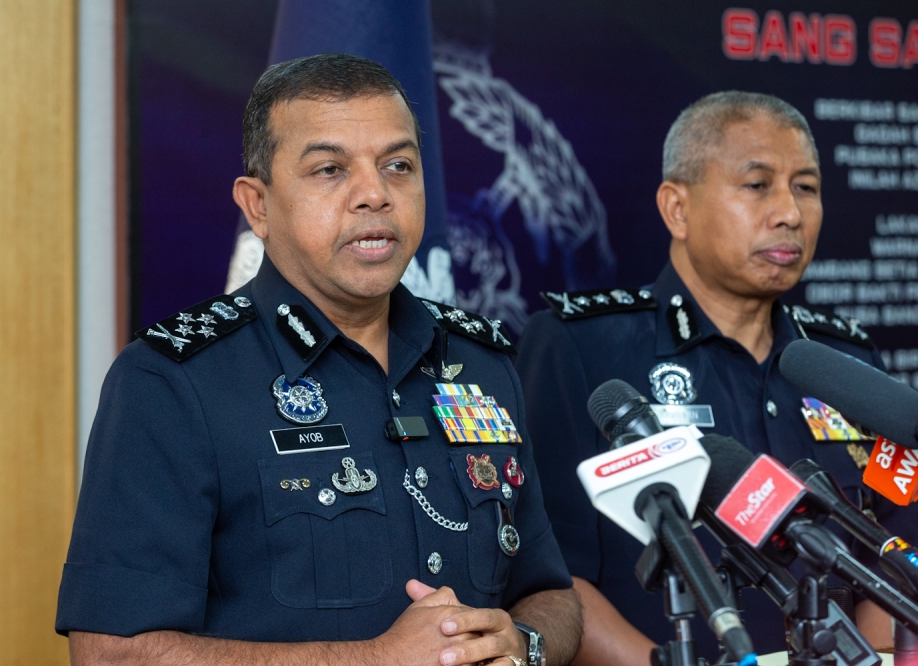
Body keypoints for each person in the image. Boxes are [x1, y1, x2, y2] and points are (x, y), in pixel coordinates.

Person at [56, 53, 581, 666]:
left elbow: (550, 592)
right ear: (257, 206)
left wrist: (524, 642)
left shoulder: (482, 364)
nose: (375, 195)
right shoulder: (172, 383)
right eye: (331, 169)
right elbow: (111, 652)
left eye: (399, 165)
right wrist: (377, 659)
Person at [517, 91, 913, 664]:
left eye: (806, 187)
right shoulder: (580, 346)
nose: (790, 213)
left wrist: (875, 655)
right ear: (677, 208)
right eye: (758, 185)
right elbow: (549, 575)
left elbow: (893, 547)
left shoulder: (842, 360)